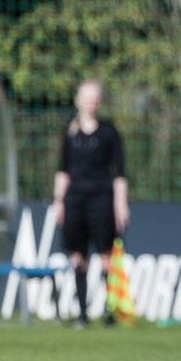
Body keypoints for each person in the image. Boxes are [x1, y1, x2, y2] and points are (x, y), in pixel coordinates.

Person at [53, 80, 130, 328]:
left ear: (100, 102)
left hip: (101, 199)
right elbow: (63, 169)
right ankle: (82, 314)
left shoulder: (109, 131)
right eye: (87, 97)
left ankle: (110, 312)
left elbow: (119, 172)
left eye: (95, 98)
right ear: (78, 100)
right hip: (75, 199)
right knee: (78, 256)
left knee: (105, 254)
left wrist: (120, 203)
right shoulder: (70, 131)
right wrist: (58, 201)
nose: (91, 102)